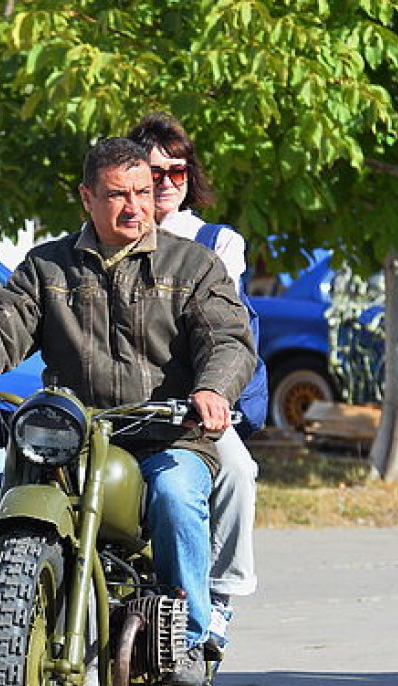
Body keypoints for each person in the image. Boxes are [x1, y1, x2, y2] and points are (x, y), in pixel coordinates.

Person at [0, 137, 256, 686]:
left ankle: (189, 640)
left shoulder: (193, 267)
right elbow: (0, 325)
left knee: (176, 497)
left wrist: (213, 390)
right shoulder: (49, 267)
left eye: (143, 193)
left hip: (165, 435)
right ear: (87, 198)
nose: (135, 208)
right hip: (68, 437)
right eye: (118, 195)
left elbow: (228, 339)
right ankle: (1, 627)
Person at [127, 113, 260, 647]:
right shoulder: (112, 232)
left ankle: (220, 595)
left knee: (237, 468)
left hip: (193, 399)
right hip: (121, 401)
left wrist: (212, 392)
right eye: (153, 173)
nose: (165, 184)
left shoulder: (215, 243)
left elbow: (221, 330)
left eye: (176, 172)